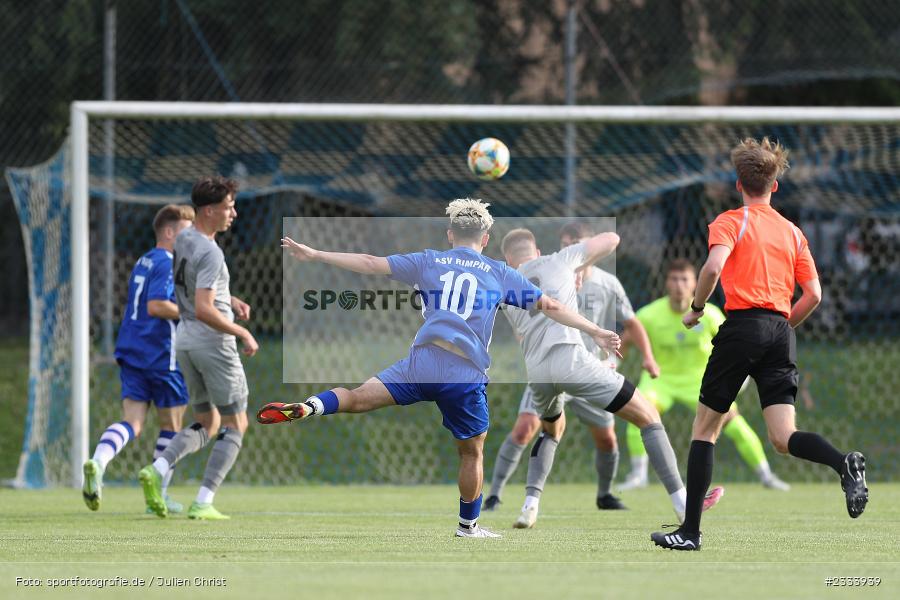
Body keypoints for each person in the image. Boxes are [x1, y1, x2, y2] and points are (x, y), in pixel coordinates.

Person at [257, 198, 623, 538]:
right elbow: (551, 306)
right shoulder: (498, 271)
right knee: (471, 451)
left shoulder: (429, 259)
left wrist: (316, 253)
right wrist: (596, 331)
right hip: (463, 374)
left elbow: (370, 263)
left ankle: (310, 406)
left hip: (422, 362)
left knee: (356, 397)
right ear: (486, 238)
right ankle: (468, 527)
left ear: (450, 234)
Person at [651, 138, 868, 551]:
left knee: (705, 430)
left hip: (743, 325)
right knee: (784, 438)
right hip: (780, 332)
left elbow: (714, 265)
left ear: (738, 184)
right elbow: (815, 294)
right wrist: (785, 327)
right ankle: (844, 463)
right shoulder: (792, 232)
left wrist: (697, 307)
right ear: (775, 186)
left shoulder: (732, 221)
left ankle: (690, 533)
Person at [499, 228, 723, 529]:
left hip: (537, 373)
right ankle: (683, 505)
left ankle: (529, 506)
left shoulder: (504, 286)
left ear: (508, 259)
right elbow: (613, 240)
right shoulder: (560, 260)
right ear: (537, 251)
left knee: (551, 432)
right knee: (648, 417)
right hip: (572, 362)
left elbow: (519, 331)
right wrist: (577, 260)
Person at [485, 222, 660, 512]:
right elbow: (522, 328)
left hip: (589, 367)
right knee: (525, 428)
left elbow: (631, 322)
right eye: (565, 242)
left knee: (606, 437)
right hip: (550, 366)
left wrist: (648, 357)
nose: (569, 247)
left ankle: (605, 494)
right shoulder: (546, 273)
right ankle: (494, 495)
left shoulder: (606, 283)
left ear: (588, 247)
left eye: (575, 242)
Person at [138, 176, 259, 520]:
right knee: (236, 424)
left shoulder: (186, 237)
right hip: (213, 343)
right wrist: (242, 332)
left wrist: (229, 299)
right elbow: (206, 308)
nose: (233, 213)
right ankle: (203, 501)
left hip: (185, 341)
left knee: (206, 421)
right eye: (228, 207)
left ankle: (158, 468)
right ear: (209, 210)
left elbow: (196, 287)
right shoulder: (211, 252)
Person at [620, 259, 790, 492]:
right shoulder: (648, 315)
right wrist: (608, 362)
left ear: (695, 285)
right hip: (661, 380)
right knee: (637, 413)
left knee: (735, 424)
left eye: (684, 279)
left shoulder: (709, 314)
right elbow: (625, 342)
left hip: (702, 382)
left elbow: (735, 345)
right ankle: (639, 475)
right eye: (674, 279)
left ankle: (767, 476)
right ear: (666, 283)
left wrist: (742, 370)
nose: (679, 285)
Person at [82, 204, 195, 513]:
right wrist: (192, 312)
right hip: (160, 353)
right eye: (187, 231)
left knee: (133, 422)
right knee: (172, 426)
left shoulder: (144, 260)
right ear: (170, 232)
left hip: (131, 349)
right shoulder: (167, 261)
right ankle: (157, 495)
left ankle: (99, 461)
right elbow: (157, 306)